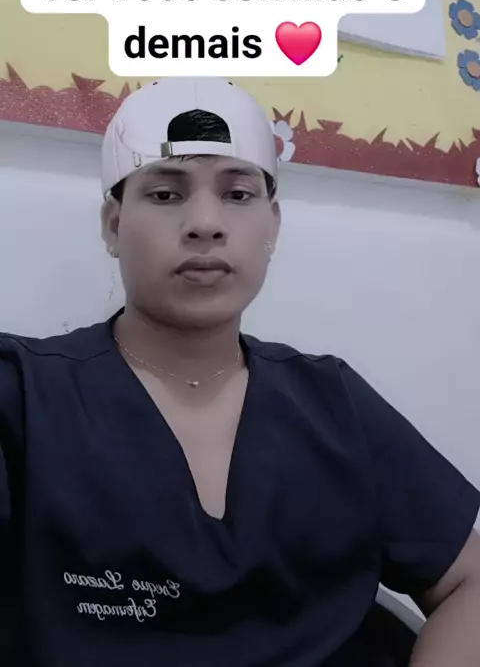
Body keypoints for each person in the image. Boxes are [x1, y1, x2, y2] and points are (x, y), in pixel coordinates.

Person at [0, 77, 479, 667]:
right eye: (166, 193)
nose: (206, 222)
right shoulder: (23, 395)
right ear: (113, 225)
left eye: (238, 193)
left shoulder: (335, 403)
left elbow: (469, 578)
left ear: (272, 224)